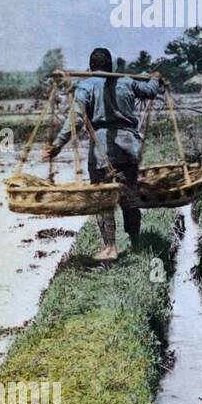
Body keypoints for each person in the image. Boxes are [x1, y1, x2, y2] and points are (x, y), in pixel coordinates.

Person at [41, 48, 165, 262]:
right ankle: (136, 242)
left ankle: (110, 247)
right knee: (129, 196)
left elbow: (77, 118)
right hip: (128, 149)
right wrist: (155, 78)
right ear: (112, 67)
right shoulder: (126, 81)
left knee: (103, 199)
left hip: (101, 152)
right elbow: (151, 91)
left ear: (90, 68)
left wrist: (58, 144)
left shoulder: (86, 86)